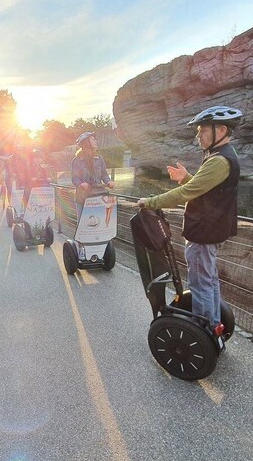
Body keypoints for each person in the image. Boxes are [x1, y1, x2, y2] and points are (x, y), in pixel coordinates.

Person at [136, 105, 243, 329]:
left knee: (200, 284)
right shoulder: (224, 156)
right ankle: (214, 325)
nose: (198, 136)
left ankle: (204, 328)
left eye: (203, 130)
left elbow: (186, 194)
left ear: (221, 130)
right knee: (209, 280)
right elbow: (204, 189)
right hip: (213, 228)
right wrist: (187, 177)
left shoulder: (218, 160)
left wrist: (150, 202)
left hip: (203, 232)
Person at [71, 131, 114, 218]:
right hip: (83, 198)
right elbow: (75, 178)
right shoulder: (76, 161)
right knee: (82, 225)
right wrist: (81, 184)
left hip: (97, 197)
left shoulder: (99, 158)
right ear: (87, 143)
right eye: (93, 140)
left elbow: (104, 174)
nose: (96, 141)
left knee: (97, 222)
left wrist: (109, 181)